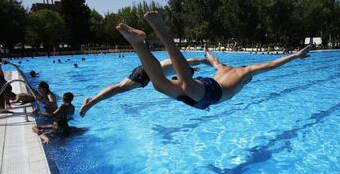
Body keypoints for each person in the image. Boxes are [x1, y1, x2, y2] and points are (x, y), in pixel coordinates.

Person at [115, 10, 311, 110]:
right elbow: (272, 64)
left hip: (205, 88)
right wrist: (295, 55)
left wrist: (207, 51)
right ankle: (160, 28)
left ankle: (138, 43)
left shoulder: (222, 66)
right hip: (211, 93)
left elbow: (212, 58)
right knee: (187, 86)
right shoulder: (246, 73)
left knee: (159, 85)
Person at [79, 57, 211, 117]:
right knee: (119, 88)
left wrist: (193, 68)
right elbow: (199, 60)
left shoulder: (180, 65)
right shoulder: (181, 62)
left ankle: (92, 100)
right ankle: (90, 104)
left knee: (119, 88)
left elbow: (188, 65)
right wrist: (214, 64)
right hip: (145, 73)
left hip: (146, 72)